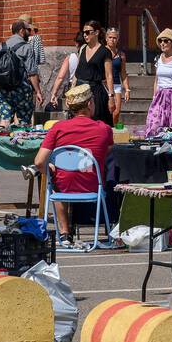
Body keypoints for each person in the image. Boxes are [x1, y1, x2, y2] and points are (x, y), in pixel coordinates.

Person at [33, 83, 113, 250]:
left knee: (56, 181)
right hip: (92, 185)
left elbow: (39, 162)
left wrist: (50, 169)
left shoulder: (58, 128)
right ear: (90, 104)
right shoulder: (104, 129)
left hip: (64, 187)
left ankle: (64, 232)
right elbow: (107, 154)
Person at [0, 19, 43, 128]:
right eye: (28, 30)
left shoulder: (1, 46)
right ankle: (20, 141)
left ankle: (2, 141)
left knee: (5, 120)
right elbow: (32, 73)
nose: (30, 32)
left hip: (4, 89)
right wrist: (38, 91)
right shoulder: (26, 47)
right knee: (23, 122)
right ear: (22, 31)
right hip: (22, 90)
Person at [145, 29, 172, 136]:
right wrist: (154, 95)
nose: (162, 43)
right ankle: (156, 146)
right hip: (161, 95)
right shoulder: (158, 58)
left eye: (165, 41)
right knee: (155, 125)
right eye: (160, 41)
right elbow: (157, 79)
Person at [73, 22, 114, 126]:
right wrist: (72, 91)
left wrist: (111, 97)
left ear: (96, 32)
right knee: (79, 123)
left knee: (97, 122)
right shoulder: (82, 48)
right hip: (80, 91)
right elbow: (77, 73)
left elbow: (109, 76)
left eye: (87, 32)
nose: (85, 35)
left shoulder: (105, 52)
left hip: (96, 92)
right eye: (83, 33)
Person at [49, 32, 84, 110]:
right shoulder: (91, 57)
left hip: (73, 87)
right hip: (87, 87)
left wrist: (54, 94)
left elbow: (60, 77)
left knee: (74, 111)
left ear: (76, 43)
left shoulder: (71, 57)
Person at [105, 26, 130, 126]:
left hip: (116, 84)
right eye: (110, 37)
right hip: (104, 84)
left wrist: (127, 89)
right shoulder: (101, 51)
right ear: (106, 38)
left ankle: (113, 131)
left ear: (118, 39)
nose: (112, 40)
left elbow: (123, 73)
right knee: (106, 111)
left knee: (116, 112)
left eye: (114, 38)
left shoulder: (121, 55)